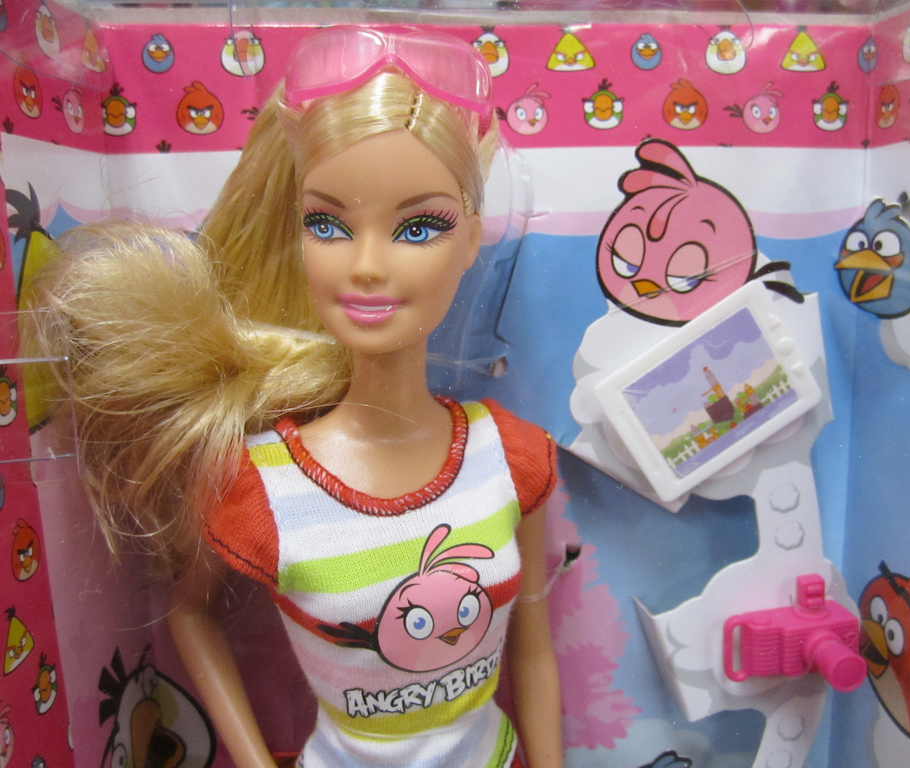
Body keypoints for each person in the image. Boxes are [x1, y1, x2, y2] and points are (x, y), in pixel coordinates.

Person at [29, 27, 562, 768]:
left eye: (419, 227)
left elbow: (533, 650)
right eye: (328, 224)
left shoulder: (512, 457)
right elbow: (192, 615)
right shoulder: (263, 487)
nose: (367, 265)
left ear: (471, 238)